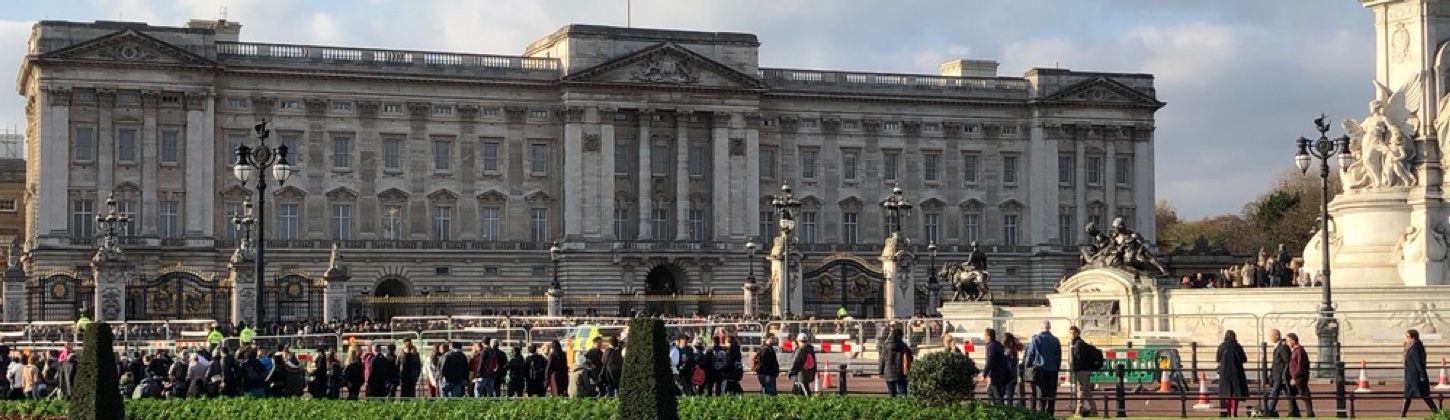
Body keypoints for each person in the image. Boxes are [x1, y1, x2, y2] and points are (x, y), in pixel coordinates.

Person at [1022, 320, 1062, 415]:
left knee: (1041, 393)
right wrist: (1057, 367)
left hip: (1041, 369)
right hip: (1052, 369)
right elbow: (1058, 355)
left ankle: (1042, 412)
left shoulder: (1037, 339)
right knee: (1051, 393)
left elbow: (1030, 354)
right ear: (1049, 328)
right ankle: (1050, 412)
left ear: (1041, 328)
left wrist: (1026, 366)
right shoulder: (1055, 340)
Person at [1402, 329, 1438, 417]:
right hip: (1412, 375)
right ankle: (1403, 414)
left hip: (1415, 376)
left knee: (1424, 395)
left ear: (1412, 337)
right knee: (1408, 395)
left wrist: (1422, 374)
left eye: (1407, 337)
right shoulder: (1412, 346)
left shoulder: (1415, 347)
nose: (1406, 339)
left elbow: (1418, 362)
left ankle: (1436, 411)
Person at [1216, 330, 1249, 417]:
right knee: (1235, 393)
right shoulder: (1238, 347)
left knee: (1226, 393)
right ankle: (1234, 412)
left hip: (1224, 372)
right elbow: (1244, 359)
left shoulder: (1222, 347)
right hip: (1236, 372)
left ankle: (1228, 412)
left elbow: (1218, 359)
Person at [1068, 326, 1098, 416]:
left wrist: (1075, 367)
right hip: (1083, 369)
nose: (1071, 335)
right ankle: (1093, 410)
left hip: (1082, 369)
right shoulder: (1078, 343)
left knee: (1080, 389)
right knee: (1086, 390)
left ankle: (1079, 410)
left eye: (1073, 333)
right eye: (1070, 333)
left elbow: (1079, 358)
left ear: (1077, 333)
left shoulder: (1078, 344)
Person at [1260, 329, 1290, 417]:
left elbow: (1286, 361)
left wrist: (1284, 374)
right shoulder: (1278, 347)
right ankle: (1293, 410)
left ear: (1277, 336)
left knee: (1274, 392)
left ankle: (1269, 409)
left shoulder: (1283, 347)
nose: (1270, 338)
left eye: (1271, 336)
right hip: (1276, 375)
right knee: (1286, 394)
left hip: (1280, 375)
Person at [1285, 333, 1314, 417]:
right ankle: (1294, 412)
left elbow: (1300, 365)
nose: (1287, 343)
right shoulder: (1295, 350)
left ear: (1293, 341)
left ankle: (1310, 413)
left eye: (1288, 341)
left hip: (1299, 378)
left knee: (1304, 394)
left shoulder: (1300, 351)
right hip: (1295, 377)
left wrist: (1294, 377)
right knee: (1291, 395)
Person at [879, 327, 913, 397]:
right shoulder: (903, 346)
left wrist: (880, 371)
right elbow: (910, 357)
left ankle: (892, 406)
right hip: (901, 371)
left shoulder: (885, 345)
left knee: (891, 393)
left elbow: (882, 360)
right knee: (903, 392)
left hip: (888, 372)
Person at [982, 328, 1013, 404]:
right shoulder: (998, 344)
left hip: (994, 373)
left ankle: (999, 410)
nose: (983, 336)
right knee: (991, 391)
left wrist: (984, 374)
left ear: (988, 336)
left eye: (984, 335)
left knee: (996, 394)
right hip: (1000, 372)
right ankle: (996, 408)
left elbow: (990, 360)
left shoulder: (991, 346)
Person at [1003, 332, 1024, 405]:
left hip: (1006, 375)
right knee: (1010, 396)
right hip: (1013, 375)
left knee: (1003, 395)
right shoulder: (1014, 349)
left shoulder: (1006, 350)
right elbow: (1021, 347)